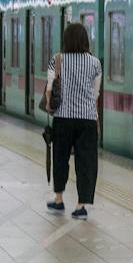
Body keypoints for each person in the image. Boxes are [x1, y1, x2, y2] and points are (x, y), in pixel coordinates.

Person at [43, 22, 102, 219]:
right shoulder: (95, 63)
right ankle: (81, 205)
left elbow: (50, 89)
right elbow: (95, 94)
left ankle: (59, 200)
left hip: (63, 118)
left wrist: (51, 102)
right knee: (86, 162)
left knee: (60, 158)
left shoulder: (57, 60)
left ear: (65, 40)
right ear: (85, 40)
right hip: (87, 119)